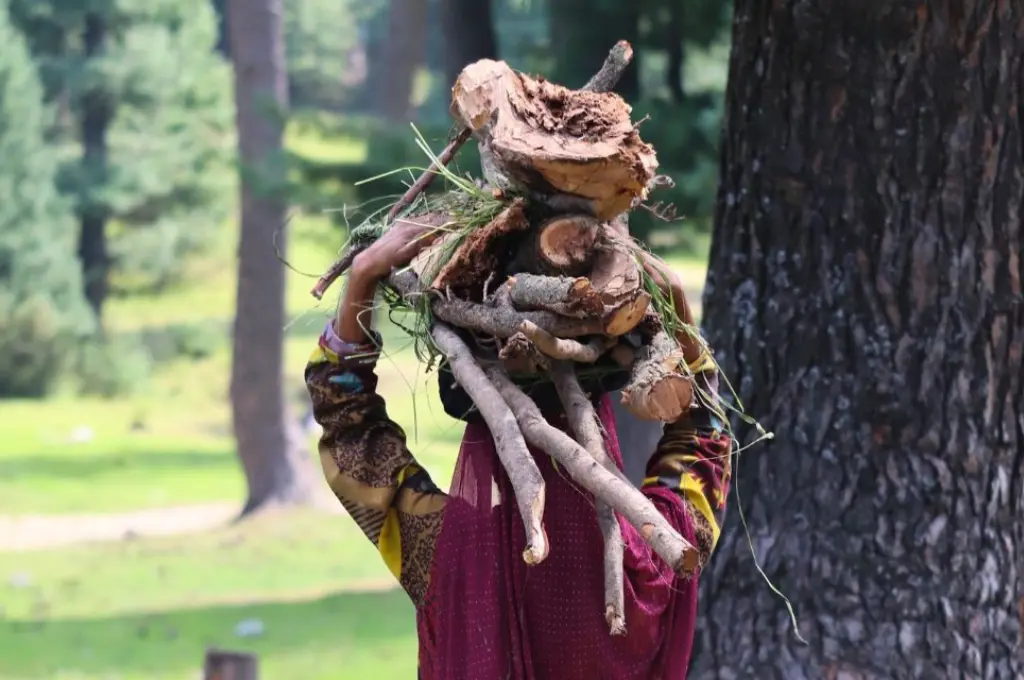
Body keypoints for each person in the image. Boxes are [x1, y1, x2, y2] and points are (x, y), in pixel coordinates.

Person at [305, 218, 732, 680]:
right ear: (594, 404)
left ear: (478, 405)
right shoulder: (652, 566)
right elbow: (706, 439)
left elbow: (349, 428)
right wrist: (676, 313)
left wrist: (365, 274)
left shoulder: (446, 561)